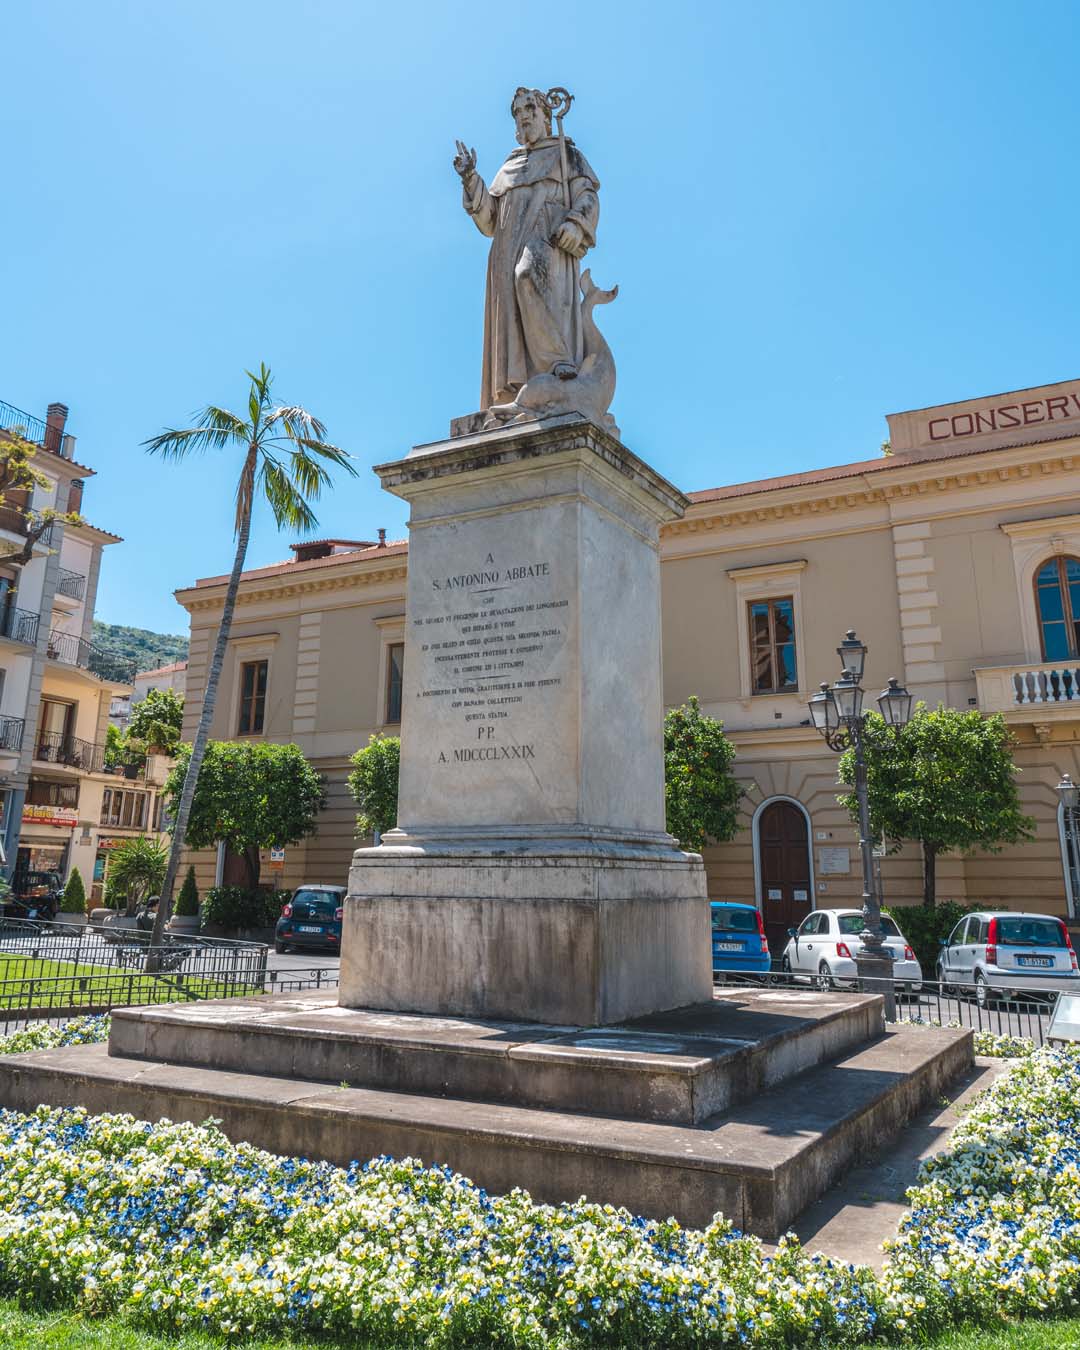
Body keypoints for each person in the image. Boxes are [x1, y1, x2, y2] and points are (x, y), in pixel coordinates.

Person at [454, 88, 600, 414]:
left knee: (527, 275)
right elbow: (490, 218)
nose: (524, 116)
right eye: (518, 112)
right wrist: (470, 180)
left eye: (530, 108)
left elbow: (587, 197)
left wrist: (576, 224)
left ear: (546, 116)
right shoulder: (511, 165)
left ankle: (556, 360)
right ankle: (519, 394)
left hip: (546, 241)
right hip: (505, 249)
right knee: (513, 296)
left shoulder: (566, 157)